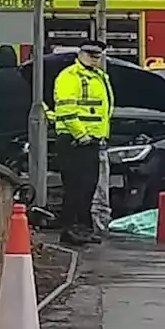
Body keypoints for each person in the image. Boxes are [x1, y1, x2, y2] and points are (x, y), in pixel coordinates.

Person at [53, 40, 113, 245]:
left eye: (97, 56)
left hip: (92, 141)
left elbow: (103, 110)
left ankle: (82, 229)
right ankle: (70, 230)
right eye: (90, 55)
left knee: (88, 187)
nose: (94, 59)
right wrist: (81, 136)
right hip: (74, 141)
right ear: (80, 54)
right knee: (75, 188)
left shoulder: (99, 77)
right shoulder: (70, 77)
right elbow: (66, 110)